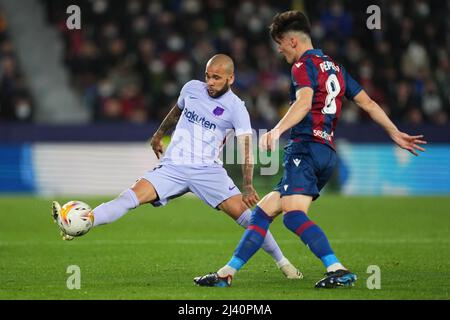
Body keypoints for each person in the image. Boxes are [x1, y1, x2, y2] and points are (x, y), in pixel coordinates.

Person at [194, 11, 427, 288]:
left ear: (292, 41)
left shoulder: (302, 66)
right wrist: (394, 132)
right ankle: (226, 274)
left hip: (304, 149)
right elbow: (369, 104)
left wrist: (277, 130)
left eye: (280, 43)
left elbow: (304, 103)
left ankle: (337, 269)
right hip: (326, 152)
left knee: (293, 217)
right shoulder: (336, 68)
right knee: (262, 212)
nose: (279, 50)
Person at [51, 54, 302, 280]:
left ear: (231, 78)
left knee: (251, 218)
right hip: (173, 167)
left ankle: (284, 263)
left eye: (217, 78)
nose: (211, 82)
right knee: (129, 197)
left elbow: (247, 147)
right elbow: (177, 110)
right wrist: (159, 134)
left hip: (207, 171)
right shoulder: (192, 88)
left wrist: (247, 185)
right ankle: (84, 221)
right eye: (208, 76)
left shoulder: (236, 108)